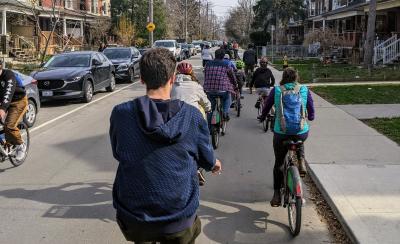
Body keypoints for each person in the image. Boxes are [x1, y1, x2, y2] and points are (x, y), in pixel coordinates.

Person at [110, 48, 222, 244]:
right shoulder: (192, 116)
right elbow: (205, 157)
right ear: (172, 78)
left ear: (142, 79)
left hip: (134, 219)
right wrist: (214, 164)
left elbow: (118, 152)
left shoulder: (121, 113)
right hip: (179, 219)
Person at [257, 67, 315, 207]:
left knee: (279, 163)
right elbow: (311, 109)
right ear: (296, 77)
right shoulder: (304, 89)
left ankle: (276, 195)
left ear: (283, 77)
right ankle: (301, 160)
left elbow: (266, 108)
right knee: (299, 137)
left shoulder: (277, 90)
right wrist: (311, 117)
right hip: (301, 131)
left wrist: (262, 117)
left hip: (281, 133)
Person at [0, 60, 28, 161]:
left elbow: (8, 92)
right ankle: (5, 144)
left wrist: (2, 109)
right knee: (4, 126)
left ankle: (21, 145)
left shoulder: (8, 75)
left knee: (9, 125)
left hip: (18, 101)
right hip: (4, 103)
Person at [203, 48, 237, 123]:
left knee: (211, 108)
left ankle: (209, 125)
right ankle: (225, 113)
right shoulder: (226, 64)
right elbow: (232, 75)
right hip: (222, 90)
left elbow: (206, 75)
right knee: (228, 97)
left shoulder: (208, 64)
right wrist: (235, 85)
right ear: (223, 56)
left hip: (209, 89)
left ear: (215, 55)